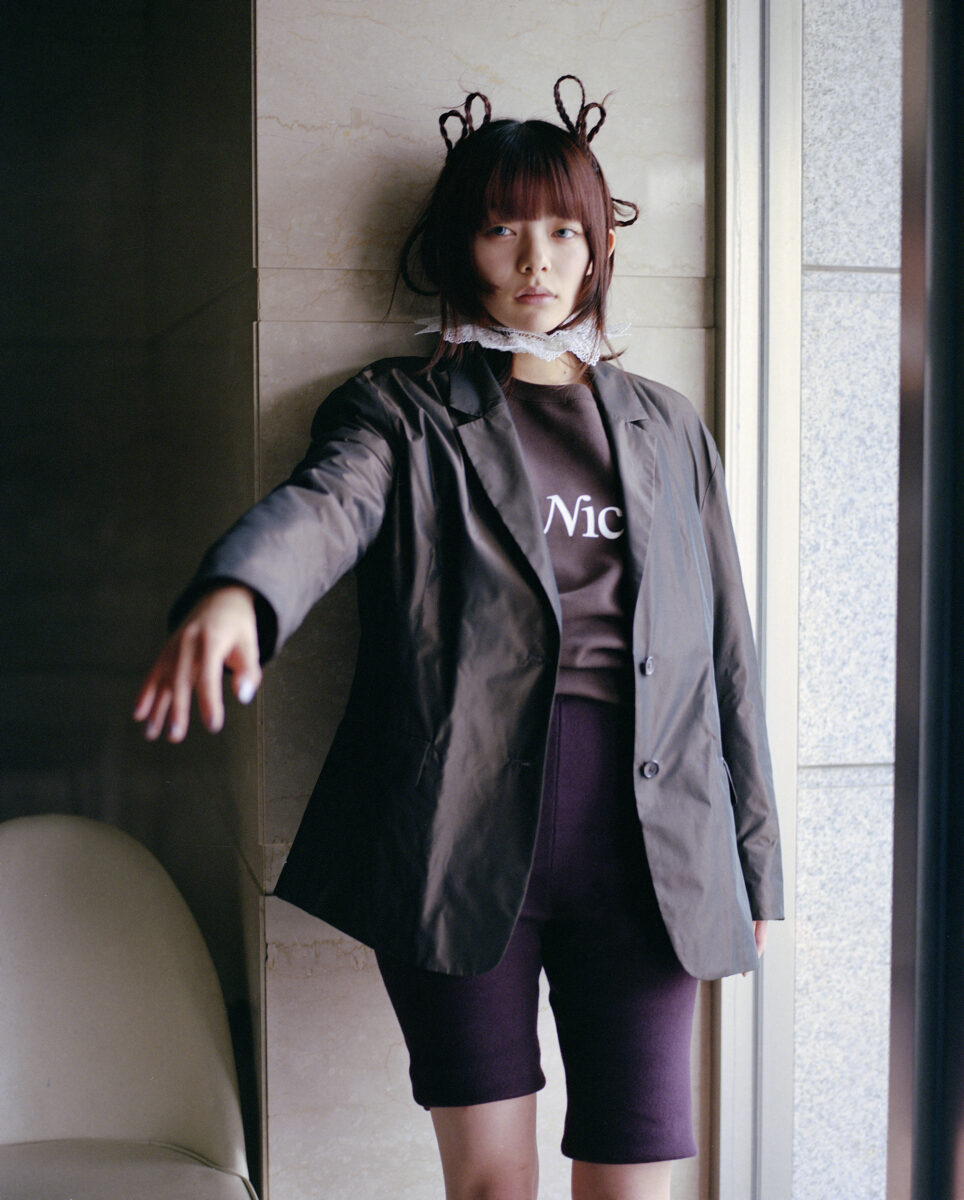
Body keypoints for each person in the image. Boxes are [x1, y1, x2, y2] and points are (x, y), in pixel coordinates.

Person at [134, 76, 783, 1200]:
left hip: (657, 853)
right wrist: (242, 590)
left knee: (636, 1177)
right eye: (501, 229)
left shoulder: (666, 424)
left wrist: (756, 867)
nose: (536, 259)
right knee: (490, 1185)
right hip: (455, 841)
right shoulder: (402, 409)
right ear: (459, 248)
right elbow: (325, 508)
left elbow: (729, 654)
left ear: (599, 246)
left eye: (563, 230)